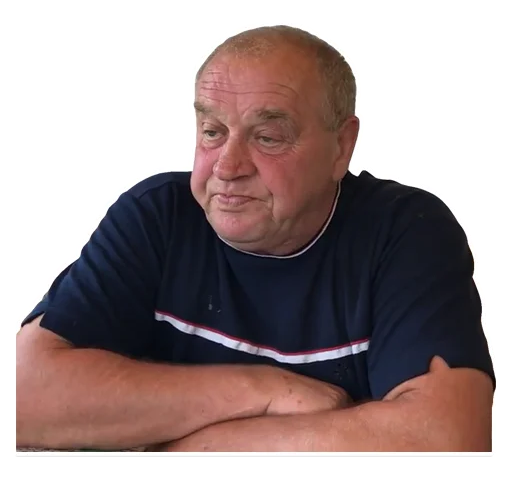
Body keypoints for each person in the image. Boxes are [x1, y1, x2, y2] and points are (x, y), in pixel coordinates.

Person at [16, 25, 495, 452]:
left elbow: (445, 442)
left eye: (267, 137)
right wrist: (264, 391)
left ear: (340, 147)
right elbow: (22, 398)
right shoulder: (156, 218)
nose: (227, 167)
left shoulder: (405, 231)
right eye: (212, 131)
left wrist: (179, 449)